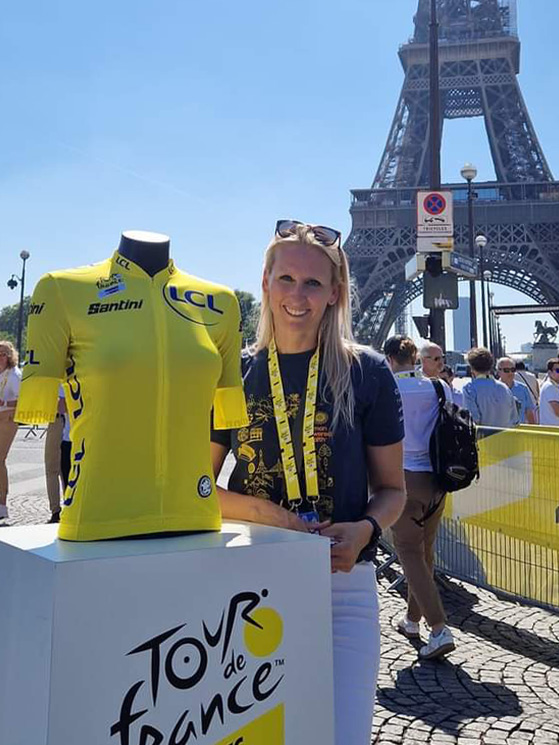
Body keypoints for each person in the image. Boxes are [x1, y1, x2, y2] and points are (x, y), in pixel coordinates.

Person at [210, 219, 406, 745]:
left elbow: (394, 491)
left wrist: (365, 529)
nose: (297, 295)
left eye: (313, 283)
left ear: (335, 292)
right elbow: (196, 487)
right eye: (286, 279)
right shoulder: (231, 375)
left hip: (343, 588)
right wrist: (271, 517)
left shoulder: (367, 372)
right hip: (249, 587)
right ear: (266, 281)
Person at [384, 335, 455, 660]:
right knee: (425, 551)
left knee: (409, 552)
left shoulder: (389, 390)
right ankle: (412, 621)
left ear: (389, 359)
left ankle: (439, 628)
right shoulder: (439, 387)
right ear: (415, 359)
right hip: (438, 480)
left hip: (404, 479)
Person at [463, 347, 518, 428]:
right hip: (506, 434)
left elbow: (473, 420)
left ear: (472, 368)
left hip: (483, 435)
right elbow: (515, 420)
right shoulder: (504, 388)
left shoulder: (469, 389)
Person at [0, 340, 22, 522]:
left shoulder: (14, 375)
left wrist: (5, 402)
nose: (0, 357)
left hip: (7, 418)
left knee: (0, 459)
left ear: (9, 357)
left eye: (3, 354)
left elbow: (22, 401)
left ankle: (2, 504)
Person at [44, 386, 66, 523]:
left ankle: (64, 508)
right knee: (52, 468)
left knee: (64, 468)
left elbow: (62, 406)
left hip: (64, 420)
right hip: (56, 420)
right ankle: (56, 510)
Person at [496, 357, 536, 425]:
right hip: (500, 429)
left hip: (519, 429)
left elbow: (529, 412)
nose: (510, 373)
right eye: (506, 370)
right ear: (498, 372)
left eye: (513, 370)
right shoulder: (493, 389)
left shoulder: (523, 389)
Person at [539, 358, 559, 426]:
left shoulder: (553, 386)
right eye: (558, 370)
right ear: (550, 372)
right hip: (553, 429)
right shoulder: (550, 387)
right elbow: (557, 411)